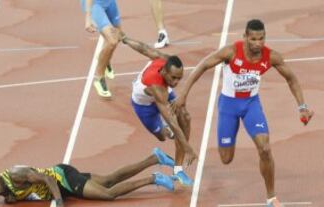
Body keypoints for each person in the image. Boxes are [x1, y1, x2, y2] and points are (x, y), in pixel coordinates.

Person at [173, 19, 314, 207]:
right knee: (226, 159)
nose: (258, 43)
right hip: (228, 106)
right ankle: (232, 132)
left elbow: (292, 79)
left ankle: (271, 198)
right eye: (253, 39)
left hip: (251, 105)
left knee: (264, 148)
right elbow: (203, 65)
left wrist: (302, 106)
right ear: (245, 37)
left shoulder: (271, 56)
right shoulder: (231, 52)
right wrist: (183, 95)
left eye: (261, 39)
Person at [121, 35, 197, 186]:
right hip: (143, 107)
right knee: (164, 135)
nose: (176, 82)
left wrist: (125, 39)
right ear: (165, 72)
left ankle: (177, 169)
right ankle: (161, 155)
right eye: (174, 78)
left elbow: (144, 48)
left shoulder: (164, 59)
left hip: (161, 92)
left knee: (185, 117)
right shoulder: (158, 87)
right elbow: (172, 122)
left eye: (179, 78)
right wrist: (188, 148)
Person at [0, 148, 176, 206]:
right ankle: (153, 158)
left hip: (62, 179)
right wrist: (8, 199)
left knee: (108, 194)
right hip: (63, 180)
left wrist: (58, 202)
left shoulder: (15, 174)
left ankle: (153, 178)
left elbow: (47, 180)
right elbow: (14, 196)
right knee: (109, 179)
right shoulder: (7, 192)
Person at [81, 0, 121, 97]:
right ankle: (99, 78)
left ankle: (104, 59)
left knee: (118, 36)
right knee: (112, 41)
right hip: (95, 5)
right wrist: (88, 17)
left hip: (110, 2)